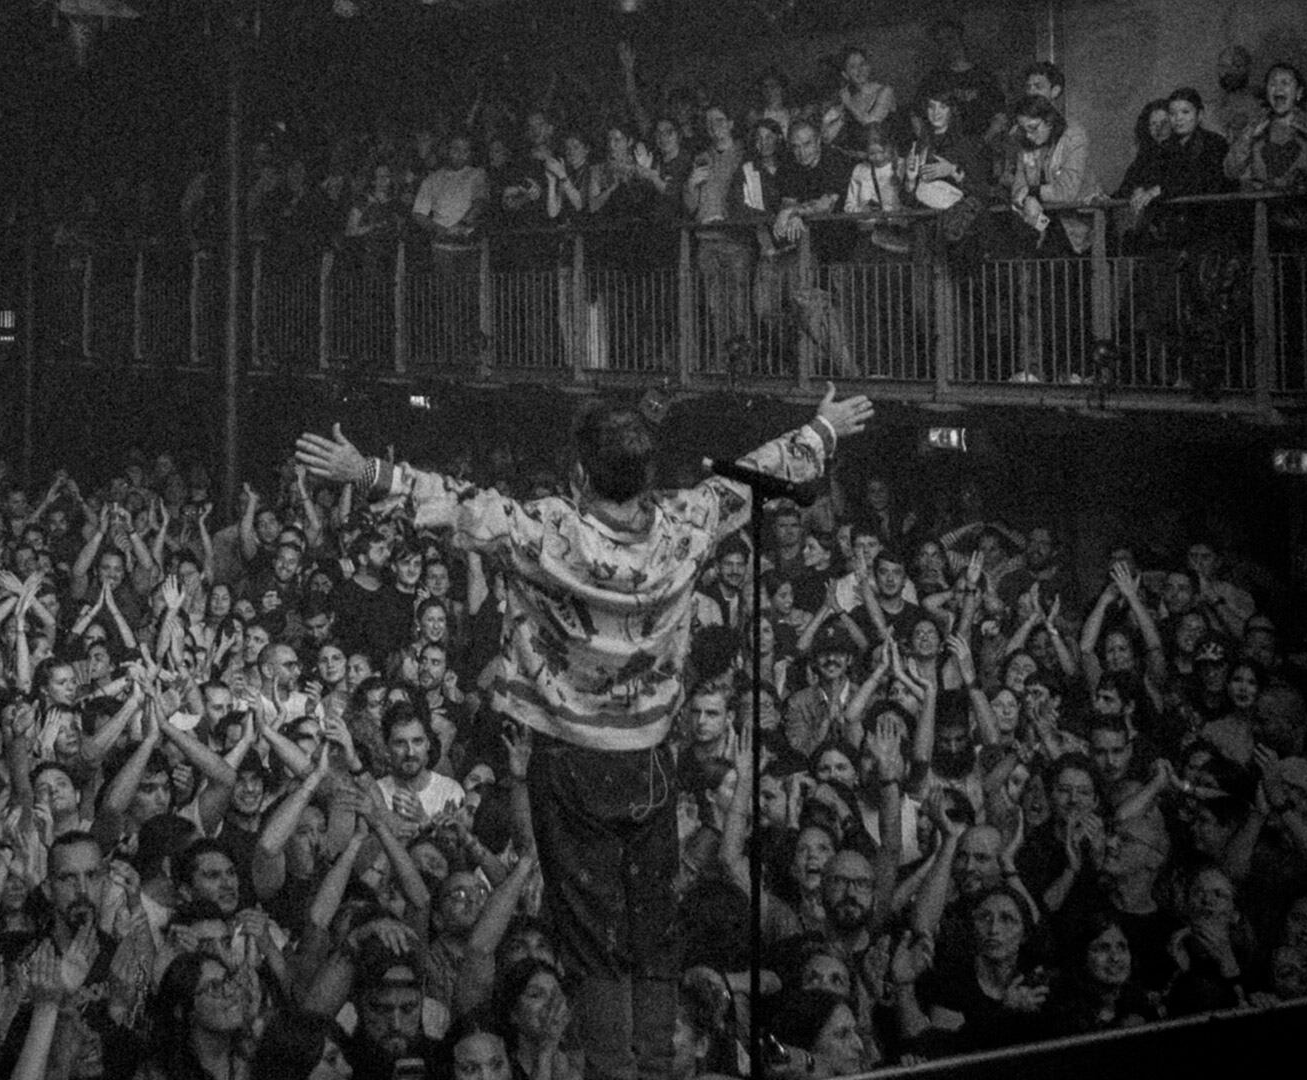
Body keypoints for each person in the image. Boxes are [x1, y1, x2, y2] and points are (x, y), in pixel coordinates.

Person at [297, 385, 875, 1079]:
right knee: (653, 921)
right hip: (651, 757)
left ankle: (611, 1070)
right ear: (649, 473)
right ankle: (655, 1066)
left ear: (578, 474)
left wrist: (364, 470)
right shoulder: (686, 521)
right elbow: (758, 471)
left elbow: (457, 503)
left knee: (592, 931)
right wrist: (823, 428)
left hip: (571, 760)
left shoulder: (550, 530)